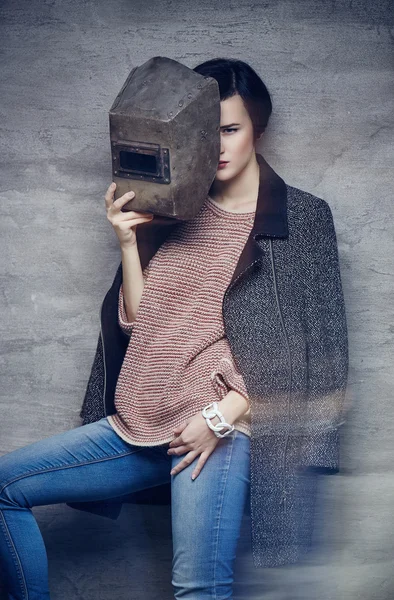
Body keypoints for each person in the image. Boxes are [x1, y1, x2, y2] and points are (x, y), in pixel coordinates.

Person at [0, 58, 349, 600]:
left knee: (197, 589)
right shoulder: (173, 208)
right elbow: (140, 323)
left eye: (231, 129)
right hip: (141, 419)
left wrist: (222, 415)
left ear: (259, 126)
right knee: (5, 486)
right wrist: (127, 240)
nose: (218, 147)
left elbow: (321, 353)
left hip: (219, 430)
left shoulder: (301, 216)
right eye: (206, 134)